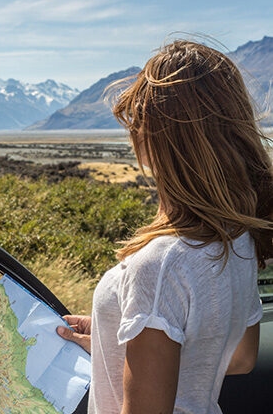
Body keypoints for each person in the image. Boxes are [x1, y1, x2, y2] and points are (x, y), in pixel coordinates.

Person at [57, 39, 273, 413]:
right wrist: (115, 338)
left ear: (155, 141)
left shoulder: (159, 267)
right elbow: (238, 358)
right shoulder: (237, 238)